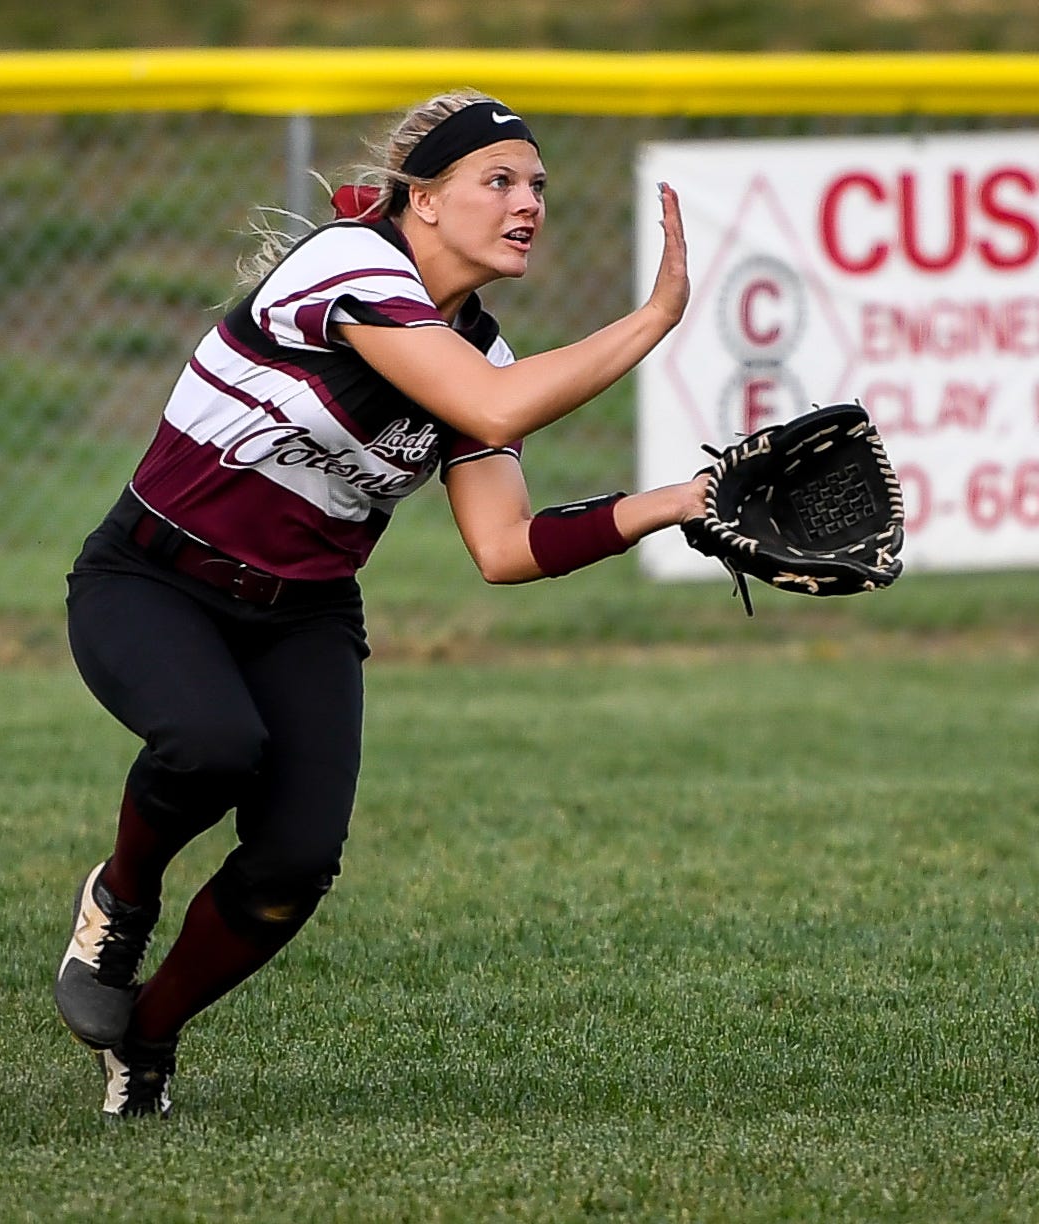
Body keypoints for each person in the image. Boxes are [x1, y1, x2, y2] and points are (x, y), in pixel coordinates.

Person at [56, 89, 703, 1119]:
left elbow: (505, 548)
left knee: (293, 867)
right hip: (153, 578)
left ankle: (148, 1037)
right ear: (423, 199)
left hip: (304, 614)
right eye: (498, 180)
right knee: (214, 744)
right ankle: (120, 899)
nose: (527, 201)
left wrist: (672, 503)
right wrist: (654, 318)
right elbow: (496, 406)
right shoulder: (344, 267)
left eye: (538, 184)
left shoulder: (477, 357)